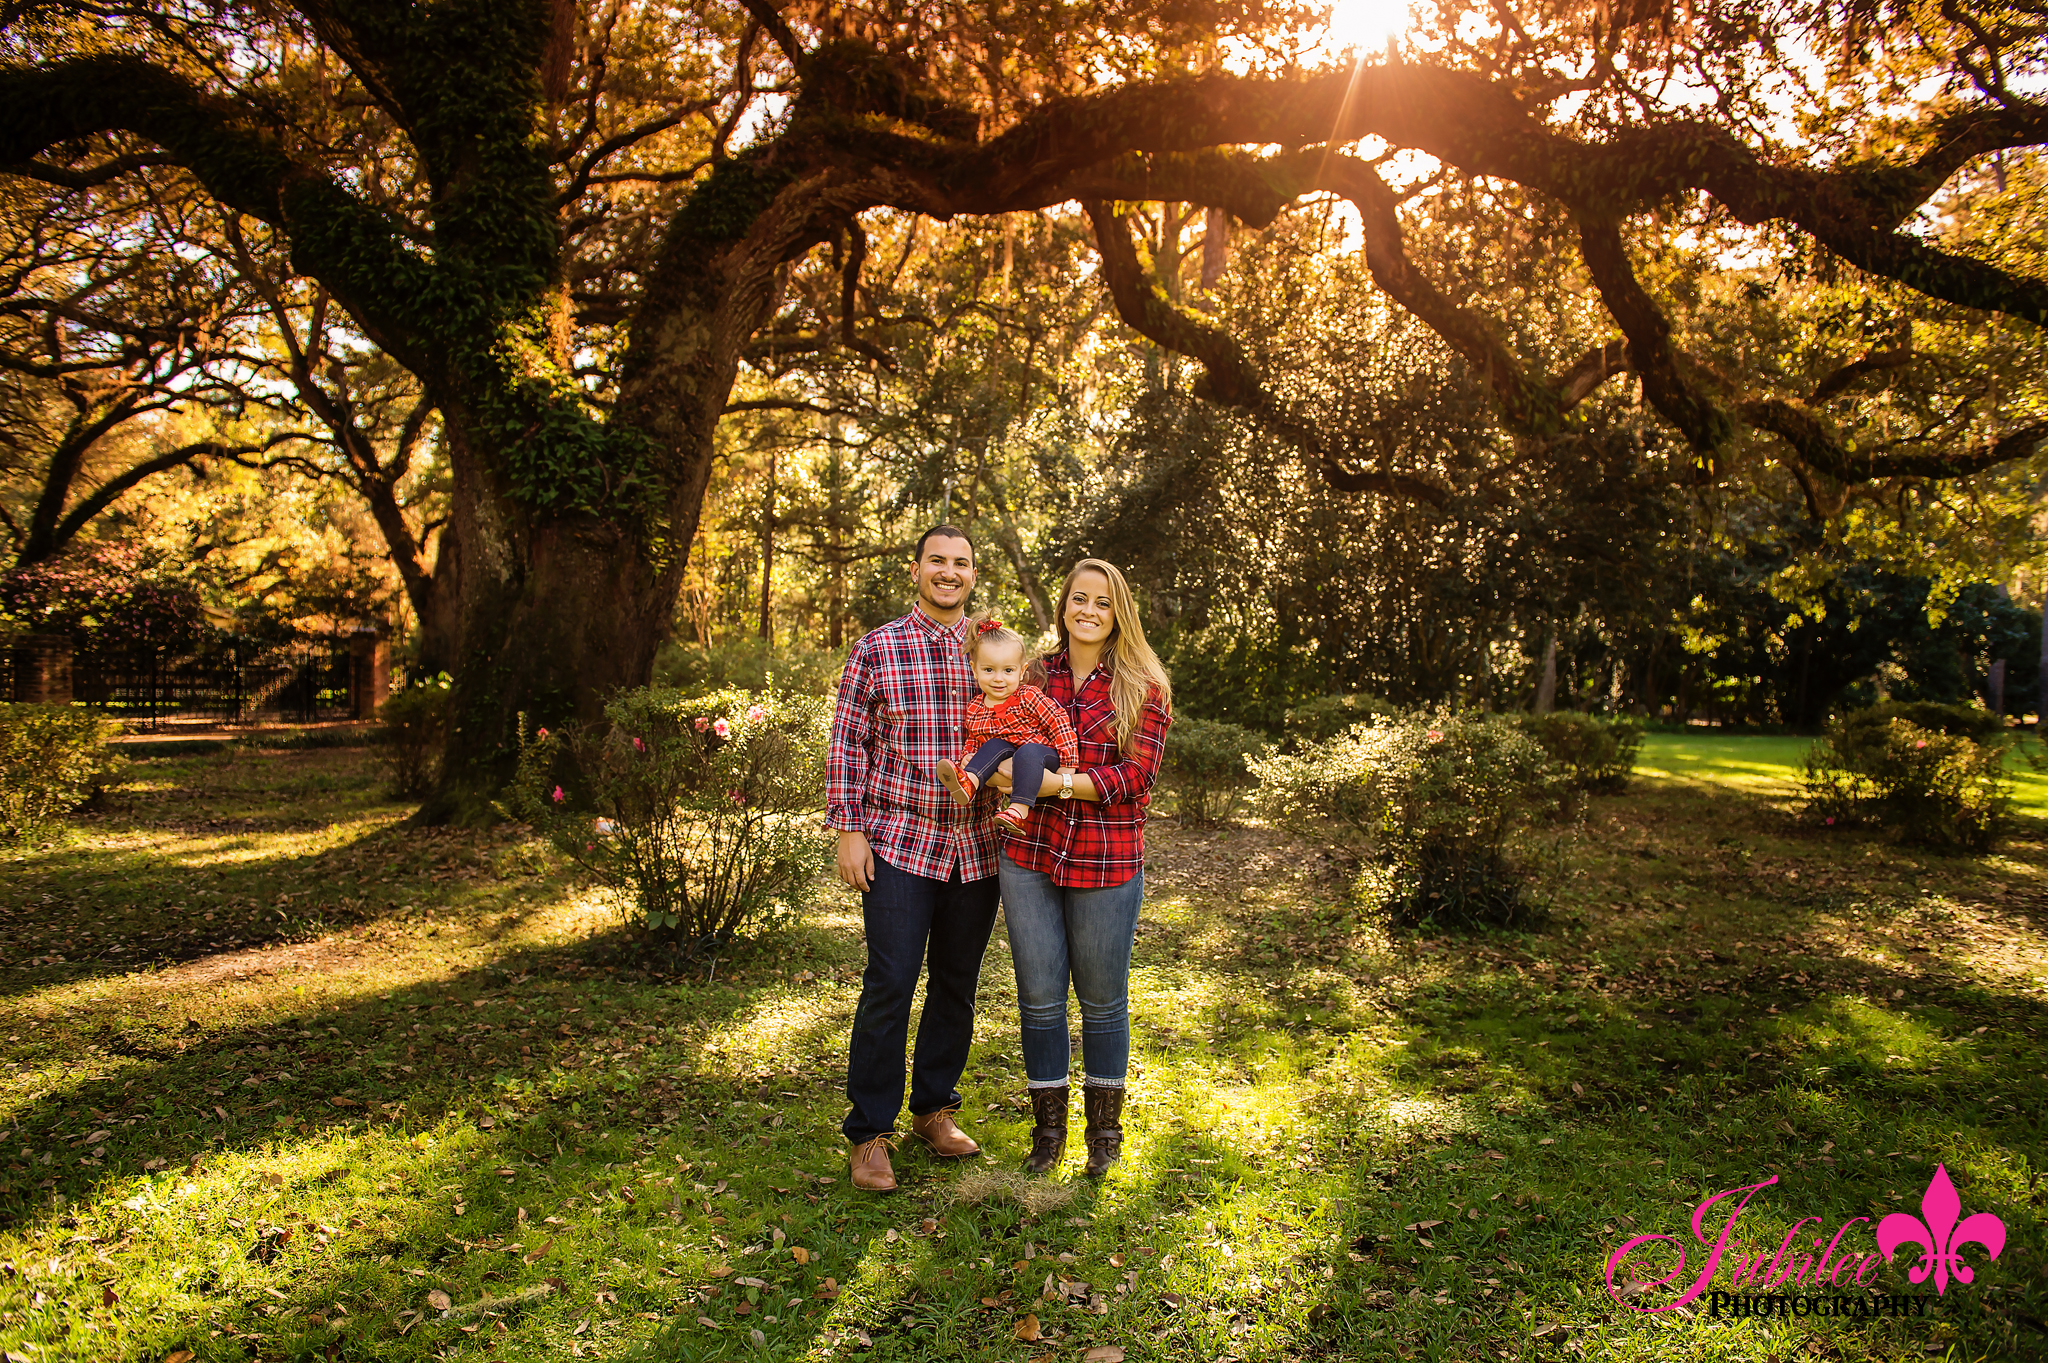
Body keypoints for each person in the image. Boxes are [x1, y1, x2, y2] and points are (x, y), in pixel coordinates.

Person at [825, 526, 1000, 1193]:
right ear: (916, 569)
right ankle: (870, 1131)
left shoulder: (994, 649)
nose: (948, 572)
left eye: (960, 563)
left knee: (956, 982)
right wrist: (849, 829)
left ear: (973, 575)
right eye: (938, 561)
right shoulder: (879, 647)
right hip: (900, 839)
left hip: (976, 848)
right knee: (892, 980)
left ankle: (933, 1107)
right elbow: (849, 743)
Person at [992, 558, 1172, 1178]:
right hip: (1029, 858)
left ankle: (1104, 1134)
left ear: (1118, 612)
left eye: (1102, 602)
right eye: (1078, 599)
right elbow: (999, 737)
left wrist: (1056, 784)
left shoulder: (1143, 685)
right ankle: (1048, 1134)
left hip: (1107, 858)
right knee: (1040, 1000)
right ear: (1064, 605)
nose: (1088, 611)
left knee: (1102, 1002)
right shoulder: (1032, 673)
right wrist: (1003, 772)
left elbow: (1136, 778)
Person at [938, 617, 1080, 834]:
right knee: (994, 744)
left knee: (1027, 751)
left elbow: (1058, 722)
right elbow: (975, 739)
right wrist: (969, 756)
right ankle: (969, 782)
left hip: (1042, 756)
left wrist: (1067, 766)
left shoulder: (1028, 696)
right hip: (1008, 758)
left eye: (1008, 670)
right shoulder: (976, 707)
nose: (998, 679)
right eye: (988, 670)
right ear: (974, 670)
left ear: (1021, 671)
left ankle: (1018, 810)